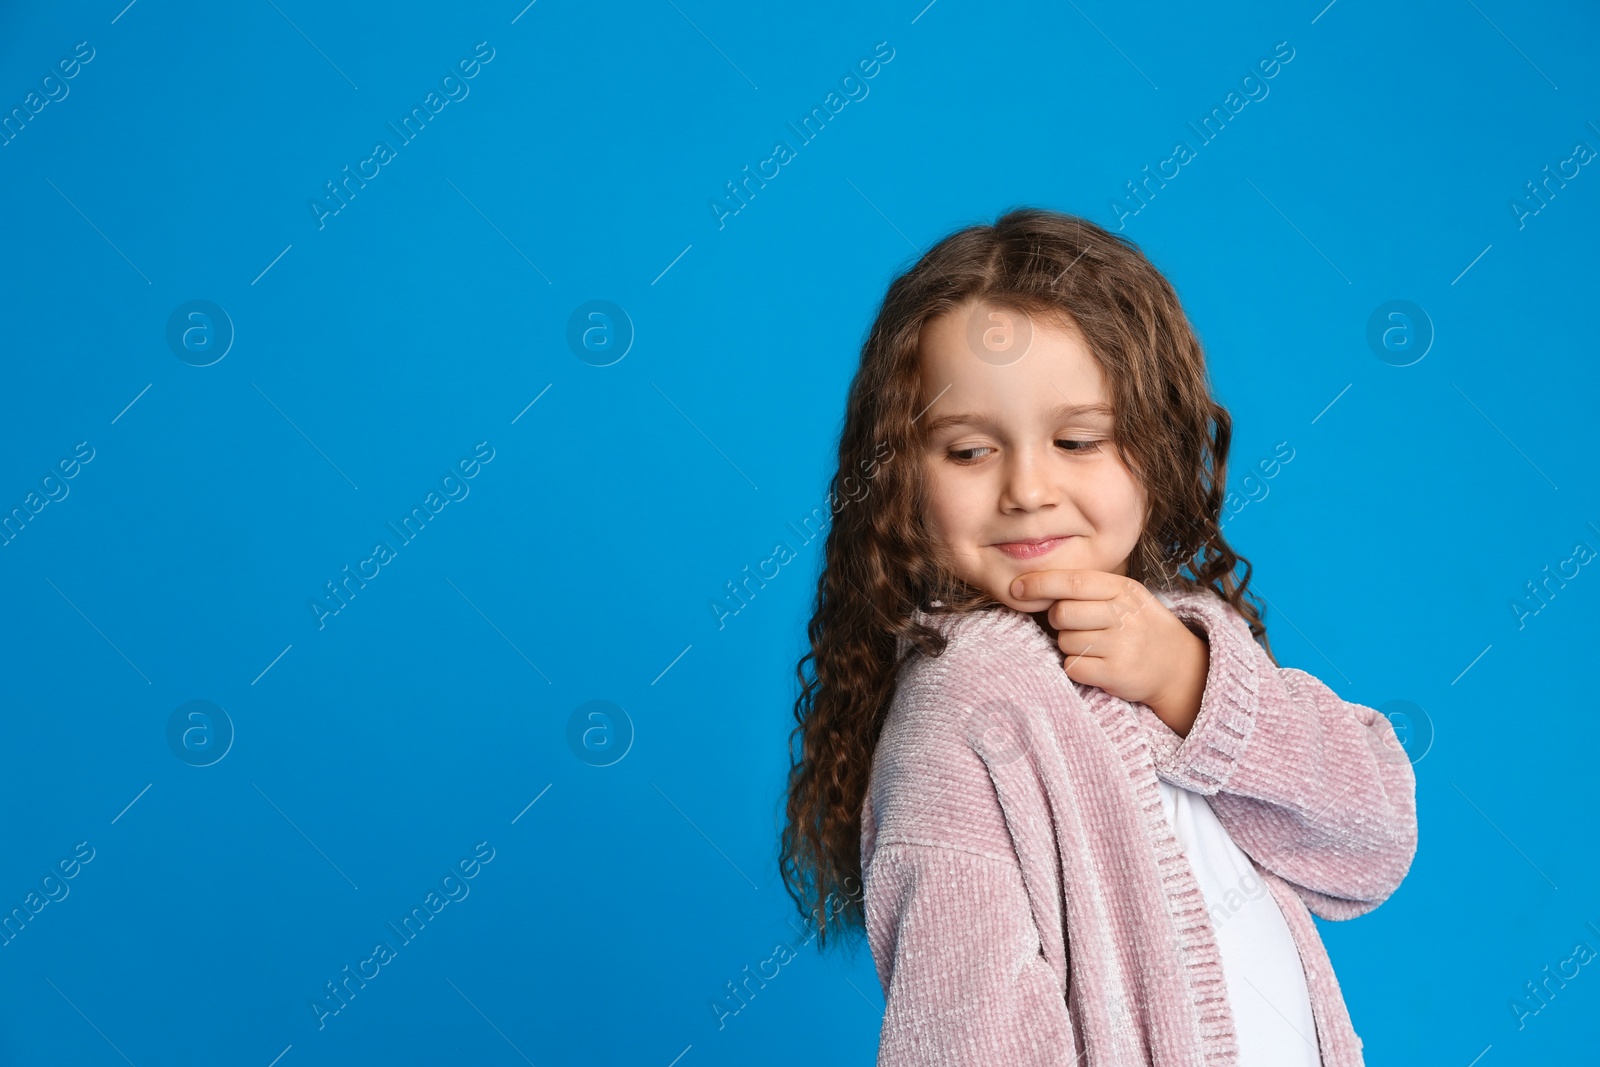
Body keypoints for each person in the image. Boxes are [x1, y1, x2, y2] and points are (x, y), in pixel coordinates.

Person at [778, 208, 1418, 1065]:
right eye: (969, 451)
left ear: (1155, 444)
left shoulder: (1182, 644)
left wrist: (1194, 686)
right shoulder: (964, 713)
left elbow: (1370, 840)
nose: (1029, 488)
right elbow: (971, 1037)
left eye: (1078, 439)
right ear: (899, 474)